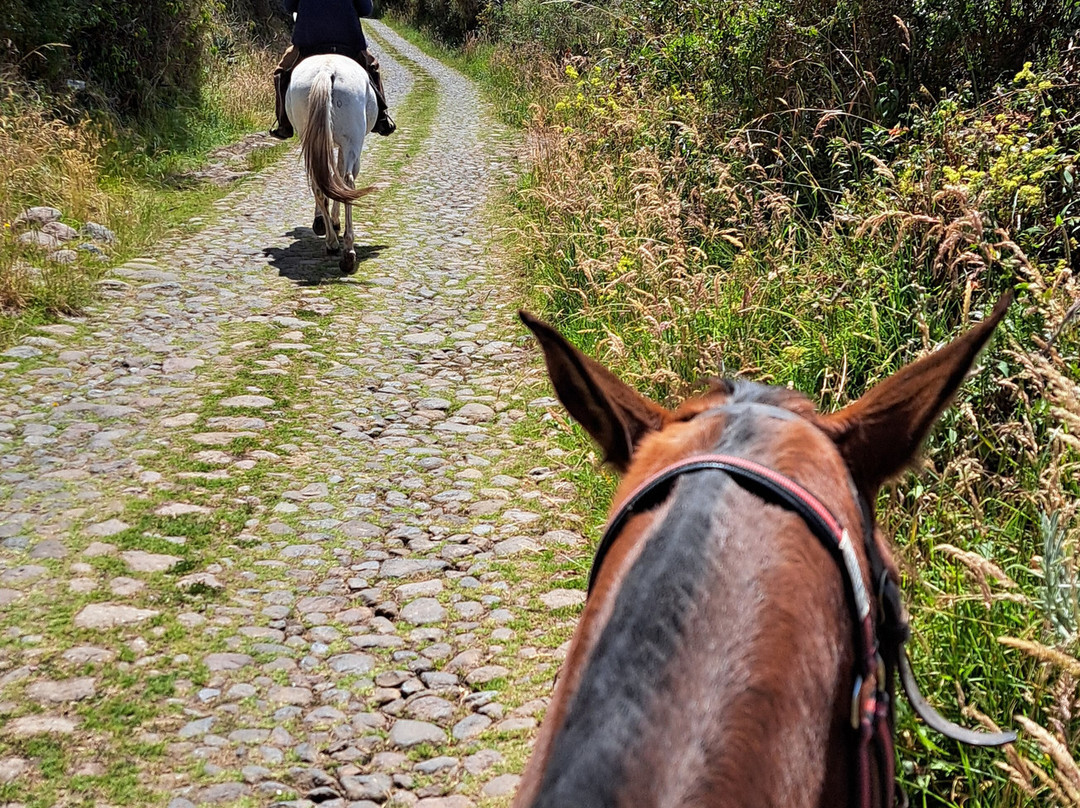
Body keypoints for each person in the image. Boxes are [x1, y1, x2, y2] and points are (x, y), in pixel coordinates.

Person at [271, 0, 396, 139]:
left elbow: (289, 6)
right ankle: (381, 118)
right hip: (348, 43)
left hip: (308, 43)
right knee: (373, 67)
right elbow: (366, 9)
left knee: (281, 72)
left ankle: (283, 123)